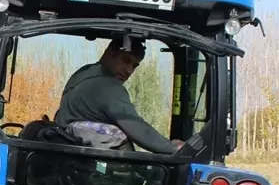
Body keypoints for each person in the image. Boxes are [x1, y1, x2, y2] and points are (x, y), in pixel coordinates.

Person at [53, 37, 184, 154]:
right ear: (109, 52)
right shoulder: (109, 87)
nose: (129, 71)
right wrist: (172, 148)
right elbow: (136, 128)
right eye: (126, 60)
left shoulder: (83, 73)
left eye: (134, 66)